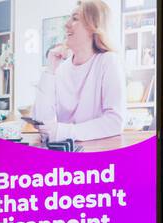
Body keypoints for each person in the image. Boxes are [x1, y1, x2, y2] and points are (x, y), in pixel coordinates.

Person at [31, 1, 127, 144]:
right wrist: (50, 70)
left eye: (75, 19)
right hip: (66, 157)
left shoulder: (108, 61)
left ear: (92, 27)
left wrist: (62, 132)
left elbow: (115, 121)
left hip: (98, 155)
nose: (67, 24)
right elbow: (42, 122)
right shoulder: (61, 69)